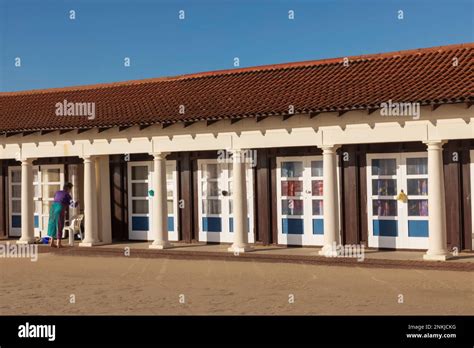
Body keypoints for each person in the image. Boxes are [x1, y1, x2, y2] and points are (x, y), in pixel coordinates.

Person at [47, 182, 77, 248]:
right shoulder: (67, 195)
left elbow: (55, 199)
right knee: (59, 225)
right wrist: (77, 203)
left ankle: (52, 242)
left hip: (53, 208)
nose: (70, 191)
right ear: (68, 188)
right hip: (59, 208)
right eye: (70, 189)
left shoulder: (57, 192)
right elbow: (73, 205)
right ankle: (58, 243)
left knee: (52, 224)